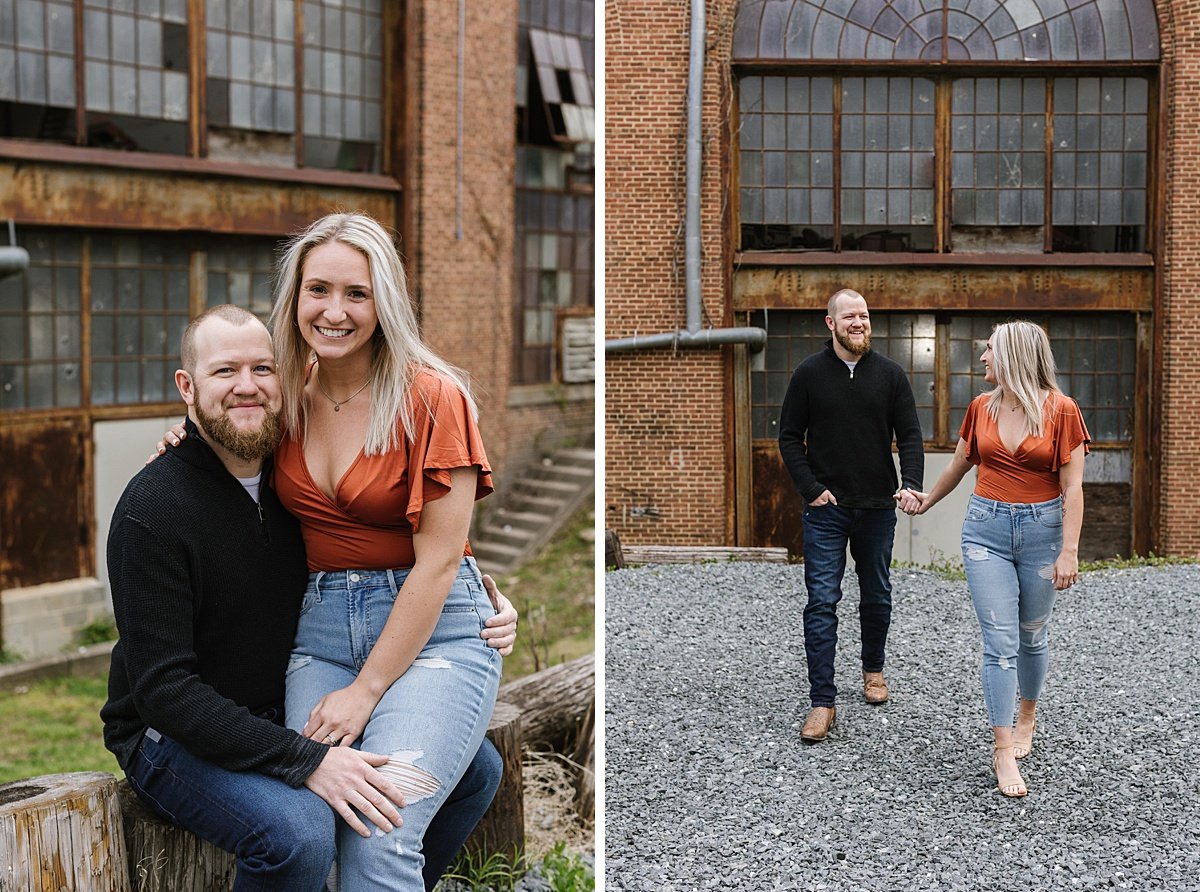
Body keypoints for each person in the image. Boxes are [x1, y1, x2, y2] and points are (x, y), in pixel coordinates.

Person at [104, 305, 516, 892]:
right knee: (298, 832)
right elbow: (164, 692)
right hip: (169, 734)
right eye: (225, 372)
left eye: (262, 369)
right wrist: (309, 761)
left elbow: (405, 548)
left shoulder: (288, 480)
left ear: (289, 379)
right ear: (187, 388)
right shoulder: (153, 510)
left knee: (476, 772)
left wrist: (487, 604)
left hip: (271, 704)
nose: (247, 387)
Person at [261, 212, 503, 890]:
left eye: (356, 294)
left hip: (436, 635)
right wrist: (178, 445)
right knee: (313, 824)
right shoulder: (285, 397)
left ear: (384, 301)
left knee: (380, 834)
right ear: (295, 297)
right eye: (318, 290)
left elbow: (441, 559)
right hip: (320, 634)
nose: (334, 311)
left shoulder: (431, 397)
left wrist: (367, 692)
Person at [898, 320, 1088, 798]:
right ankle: (1002, 750)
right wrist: (926, 501)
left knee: (1032, 633)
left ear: (1014, 356)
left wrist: (1069, 550)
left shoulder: (1061, 411)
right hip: (985, 531)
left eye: (989, 350)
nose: (982, 357)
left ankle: (1028, 713)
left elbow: (1073, 488)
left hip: (1043, 533)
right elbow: (961, 463)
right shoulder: (981, 406)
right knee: (999, 641)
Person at [778, 288, 924, 743]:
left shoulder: (891, 375)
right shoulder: (808, 375)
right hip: (828, 510)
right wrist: (812, 488)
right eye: (849, 317)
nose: (858, 323)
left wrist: (911, 484)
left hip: (878, 507)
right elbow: (787, 437)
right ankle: (822, 701)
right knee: (822, 602)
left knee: (877, 593)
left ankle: (873, 671)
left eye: (863, 315)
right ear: (831, 324)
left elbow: (911, 436)